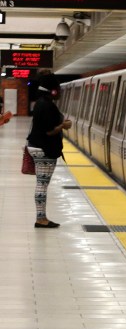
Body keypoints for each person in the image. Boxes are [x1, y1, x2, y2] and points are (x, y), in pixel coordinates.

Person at [26, 72, 71, 228]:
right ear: (52, 90)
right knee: (42, 184)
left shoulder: (40, 103)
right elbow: (49, 131)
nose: (59, 91)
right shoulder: (47, 105)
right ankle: (41, 219)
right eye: (58, 88)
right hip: (43, 148)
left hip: (36, 146)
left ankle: (41, 217)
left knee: (41, 183)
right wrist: (63, 126)